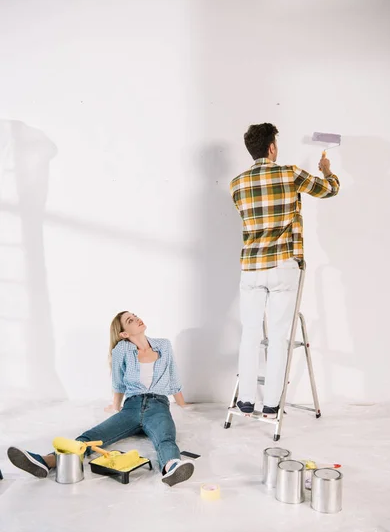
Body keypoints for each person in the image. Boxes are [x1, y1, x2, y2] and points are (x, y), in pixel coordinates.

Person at [7, 311, 195, 487]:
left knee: (166, 439)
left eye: (135, 316)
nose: (137, 319)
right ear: (123, 334)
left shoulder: (164, 345)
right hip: (132, 407)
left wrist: (182, 404)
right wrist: (115, 406)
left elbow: (174, 379)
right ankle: (46, 461)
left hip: (158, 406)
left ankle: (171, 468)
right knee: (91, 437)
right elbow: (118, 382)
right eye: (130, 320)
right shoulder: (122, 350)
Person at [230, 123, 340, 416]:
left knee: (250, 334)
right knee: (278, 337)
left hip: (251, 267)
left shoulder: (236, 184)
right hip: (282, 265)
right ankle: (270, 405)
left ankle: (246, 401)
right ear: (272, 148)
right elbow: (329, 190)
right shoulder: (289, 173)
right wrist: (327, 170)